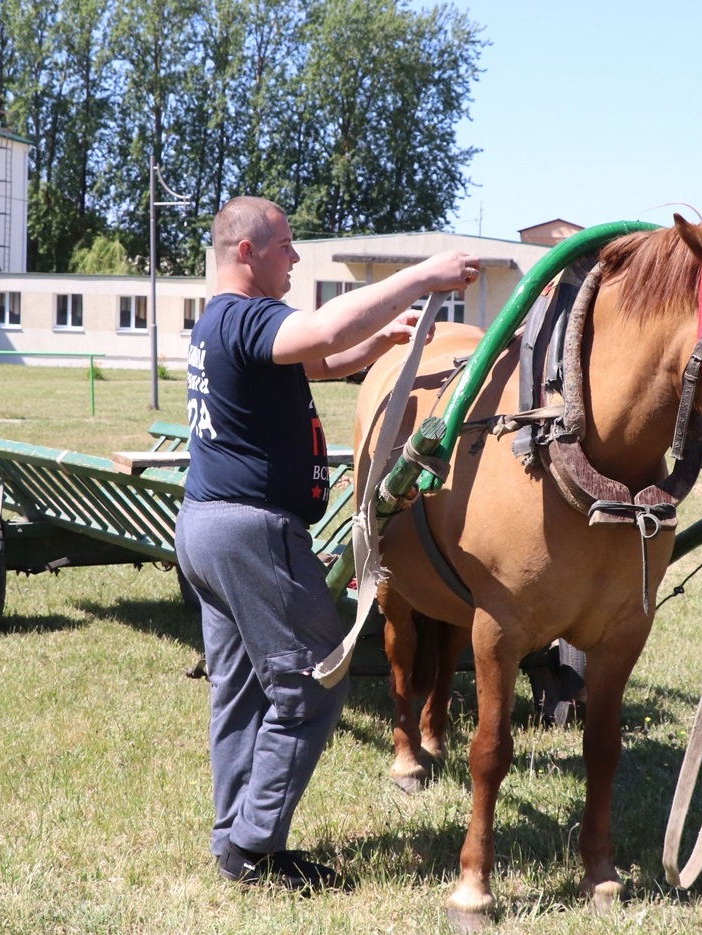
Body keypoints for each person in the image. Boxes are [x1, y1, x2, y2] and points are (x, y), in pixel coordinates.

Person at [176, 195, 478, 892]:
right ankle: (255, 847)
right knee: (313, 683)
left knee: (242, 691)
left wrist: (372, 348)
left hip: (208, 527)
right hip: (252, 533)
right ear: (245, 253)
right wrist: (422, 275)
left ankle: (235, 838)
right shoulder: (249, 315)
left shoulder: (219, 323)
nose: (294, 257)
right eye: (284, 245)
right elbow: (317, 329)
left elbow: (307, 360)